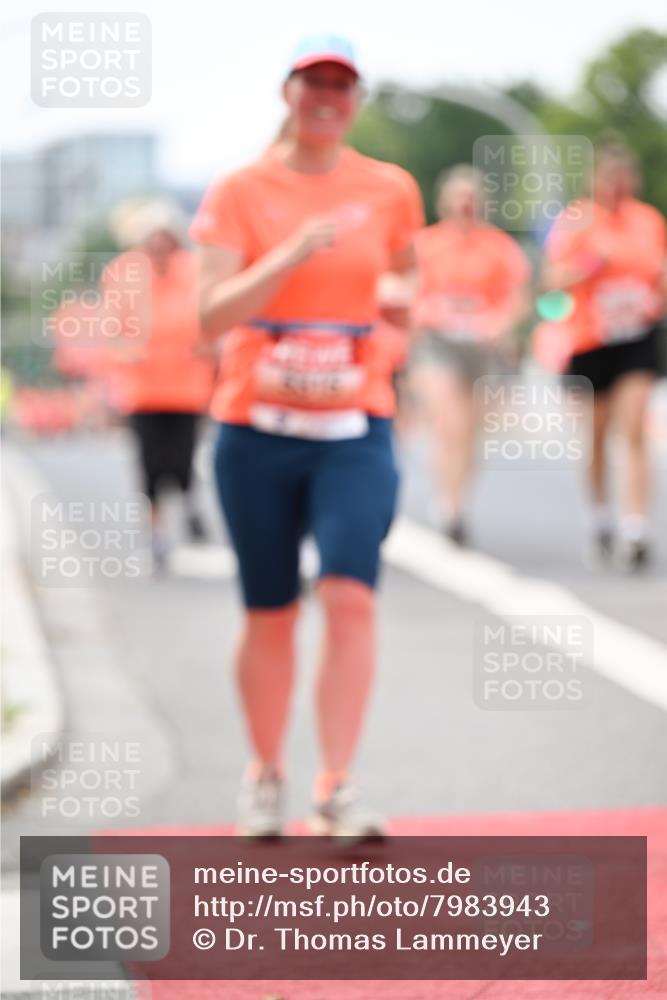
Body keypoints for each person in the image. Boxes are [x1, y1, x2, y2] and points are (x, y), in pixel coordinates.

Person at [191, 35, 424, 838]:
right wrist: (288, 256)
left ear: (356, 100)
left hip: (354, 425)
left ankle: (335, 788)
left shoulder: (389, 188)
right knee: (270, 611)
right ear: (286, 91)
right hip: (255, 428)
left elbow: (405, 279)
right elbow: (208, 317)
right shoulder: (239, 190)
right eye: (314, 81)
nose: (328, 96)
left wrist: (395, 311)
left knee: (349, 596)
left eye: (343, 85)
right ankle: (264, 773)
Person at [542, 138, 666, 570]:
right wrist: (590, 263)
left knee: (633, 427)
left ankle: (636, 528)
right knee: (596, 437)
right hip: (591, 342)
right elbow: (551, 280)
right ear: (595, 181)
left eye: (625, 179)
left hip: (636, 338)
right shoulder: (576, 221)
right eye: (609, 179)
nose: (617, 187)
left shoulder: (648, 221)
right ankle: (600, 519)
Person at [410, 165, 531, 544]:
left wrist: (499, 323)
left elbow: (519, 298)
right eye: (459, 197)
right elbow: (408, 291)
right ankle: (447, 502)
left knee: (470, 432)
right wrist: (425, 315)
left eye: (473, 198)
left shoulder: (499, 247)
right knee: (449, 422)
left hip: (481, 347)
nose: (466, 205)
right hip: (438, 344)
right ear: (444, 202)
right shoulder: (426, 244)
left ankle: (458, 502)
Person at [104, 199, 216, 569]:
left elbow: (212, 318)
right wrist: (127, 352)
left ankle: (189, 502)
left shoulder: (196, 270)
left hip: (187, 388)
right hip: (144, 390)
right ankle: (157, 532)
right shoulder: (124, 273)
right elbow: (112, 329)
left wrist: (208, 349)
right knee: (150, 464)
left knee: (183, 458)